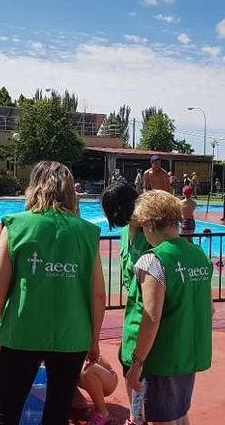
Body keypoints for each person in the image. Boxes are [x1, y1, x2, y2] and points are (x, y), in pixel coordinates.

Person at [0, 161, 106, 425]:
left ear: (34, 187)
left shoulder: (15, 226)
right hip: (72, 336)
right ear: (70, 192)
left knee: (6, 414)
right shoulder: (87, 232)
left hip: (21, 334)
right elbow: (98, 294)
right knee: (58, 413)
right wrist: (94, 340)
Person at [122, 190, 213, 425]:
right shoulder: (198, 255)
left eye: (143, 226)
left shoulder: (153, 260)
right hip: (188, 354)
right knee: (179, 416)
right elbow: (209, 308)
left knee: (161, 419)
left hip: (161, 358)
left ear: (150, 224)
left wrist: (136, 364)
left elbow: (151, 317)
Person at [100, 180, 149, 425]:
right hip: (132, 314)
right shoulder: (123, 233)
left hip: (149, 314)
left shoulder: (151, 233)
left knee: (142, 371)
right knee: (127, 363)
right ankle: (135, 415)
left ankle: (140, 417)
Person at [73, 357, 119, 425]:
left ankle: (102, 413)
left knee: (88, 369)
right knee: (57, 366)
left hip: (106, 379)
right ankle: (78, 403)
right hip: (82, 374)